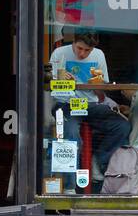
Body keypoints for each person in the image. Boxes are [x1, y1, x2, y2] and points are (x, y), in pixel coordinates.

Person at [49, 32, 129, 190]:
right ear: (74, 42)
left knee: (122, 126)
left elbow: (100, 95)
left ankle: (97, 159)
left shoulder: (98, 55)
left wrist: (97, 87)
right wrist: (59, 77)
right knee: (71, 135)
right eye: (79, 48)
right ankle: (70, 186)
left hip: (89, 105)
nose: (82, 53)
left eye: (87, 50)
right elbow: (49, 82)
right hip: (67, 104)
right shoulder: (60, 53)